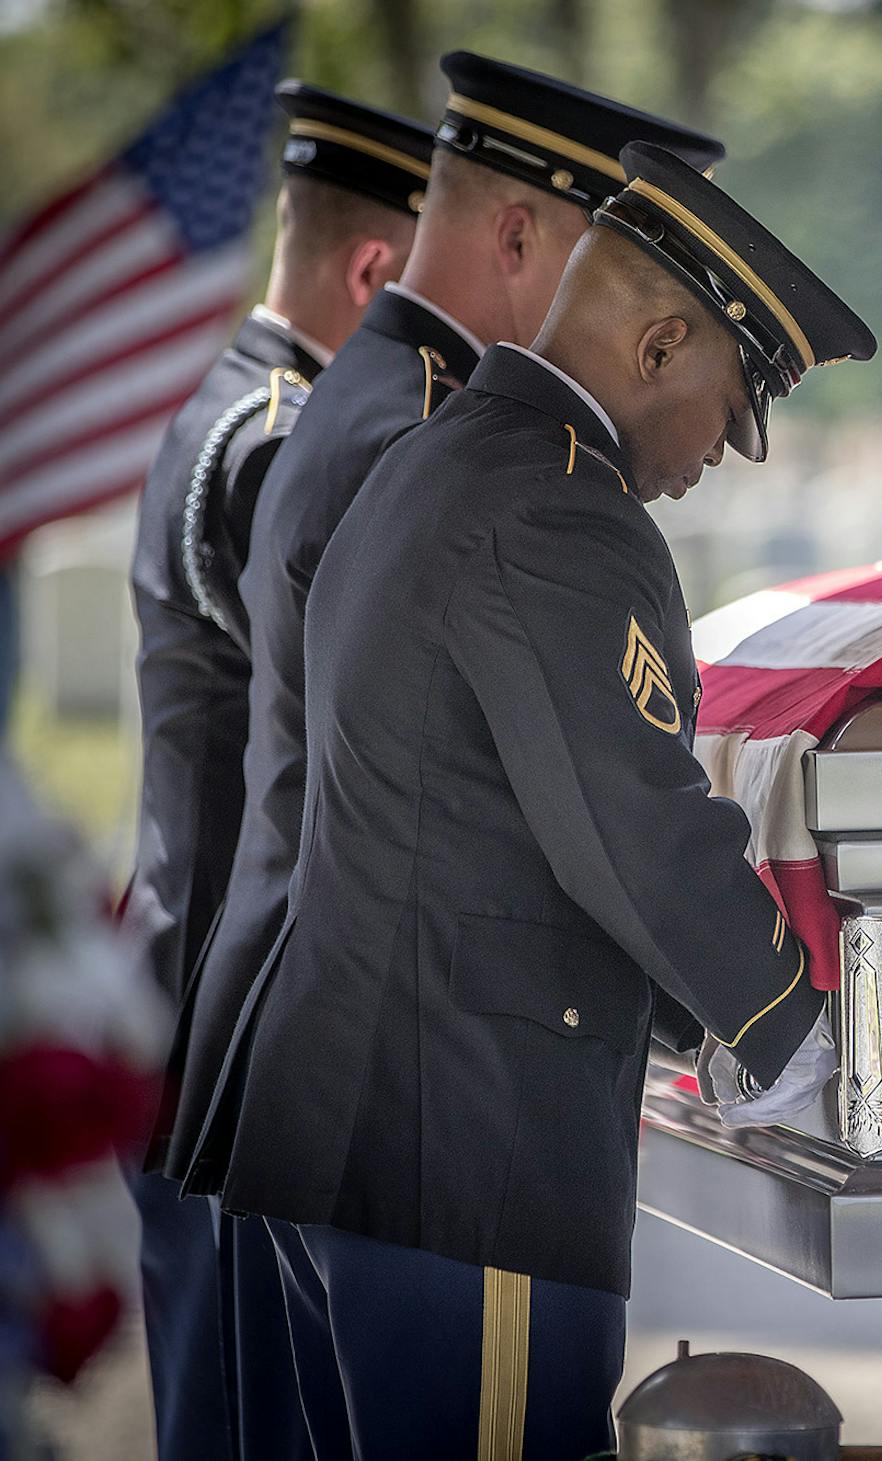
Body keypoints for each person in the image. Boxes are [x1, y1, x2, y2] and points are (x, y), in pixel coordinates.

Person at [186, 139, 867, 1458]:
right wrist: (785, 1026)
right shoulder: (557, 508)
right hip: (466, 1145)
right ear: (661, 342)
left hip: (374, 1117)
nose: (723, 455)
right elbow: (629, 814)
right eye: (729, 412)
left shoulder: (443, 458)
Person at [166, 50, 720, 1195]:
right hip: (397, 1065)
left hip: (304, 1032)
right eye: (598, 254)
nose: (610, 296)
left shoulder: (374, 397)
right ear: (517, 238)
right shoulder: (428, 432)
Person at [123, 79, 430, 1460]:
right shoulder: (279, 442)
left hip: (195, 987)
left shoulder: (226, 404)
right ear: (377, 268)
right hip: (234, 1015)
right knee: (258, 1422)